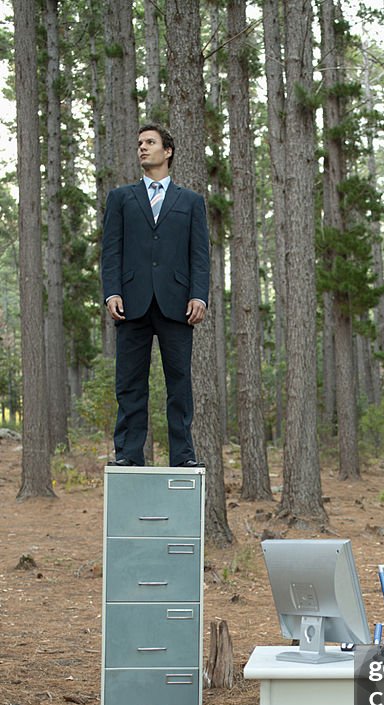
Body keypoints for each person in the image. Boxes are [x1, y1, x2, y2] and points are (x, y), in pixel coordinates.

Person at [101, 124, 210, 467]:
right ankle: (129, 455)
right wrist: (112, 292)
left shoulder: (191, 202)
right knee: (130, 384)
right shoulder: (121, 198)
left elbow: (200, 254)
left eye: (150, 143)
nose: (142, 148)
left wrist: (199, 296)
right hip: (130, 303)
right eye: (139, 144)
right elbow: (111, 250)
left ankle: (182, 456)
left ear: (168, 151)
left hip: (177, 304)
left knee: (179, 384)